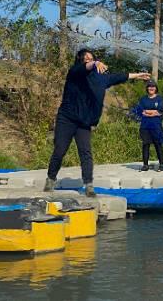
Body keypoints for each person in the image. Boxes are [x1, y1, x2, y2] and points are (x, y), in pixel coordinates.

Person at [45, 48, 150, 196]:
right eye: (85, 58)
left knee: (86, 152)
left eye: (91, 57)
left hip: (84, 122)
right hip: (67, 118)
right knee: (60, 150)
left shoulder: (101, 79)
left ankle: (88, 185)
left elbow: (120, 76)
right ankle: (50, 179)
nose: (88, 59)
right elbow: (85, 68)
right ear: (80, 60)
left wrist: (137, 75)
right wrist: (94, 63)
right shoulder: (75, 73)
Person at [137, 80, 163, 172]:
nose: (151, 88)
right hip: (145, 126)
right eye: (149, 86)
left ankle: (161, 164)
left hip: (156, 126)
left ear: (156, 88)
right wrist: (152, 112)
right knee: (145, 144)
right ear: (147, 88)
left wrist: (148, 111)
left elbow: (159, 111)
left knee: (158, 144)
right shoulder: (143, 99)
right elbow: (140, 110)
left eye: (153, 86)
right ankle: (145, 165)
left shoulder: (159, 99)